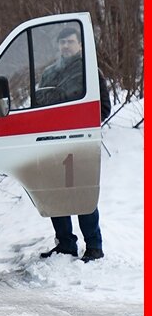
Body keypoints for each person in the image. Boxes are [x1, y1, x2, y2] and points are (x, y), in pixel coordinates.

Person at [38, 27, 111, 263]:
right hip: (53, 143)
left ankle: (94, 246)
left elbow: (104, 107)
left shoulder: (90, 72)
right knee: (56, 194)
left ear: (80, 45)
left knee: (83, 193)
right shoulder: (49, 73)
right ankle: (66, 244)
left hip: (80, 142)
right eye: (62, 43)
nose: (66, 46)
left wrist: (81, 125)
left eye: (70, 42)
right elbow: (39, 103)